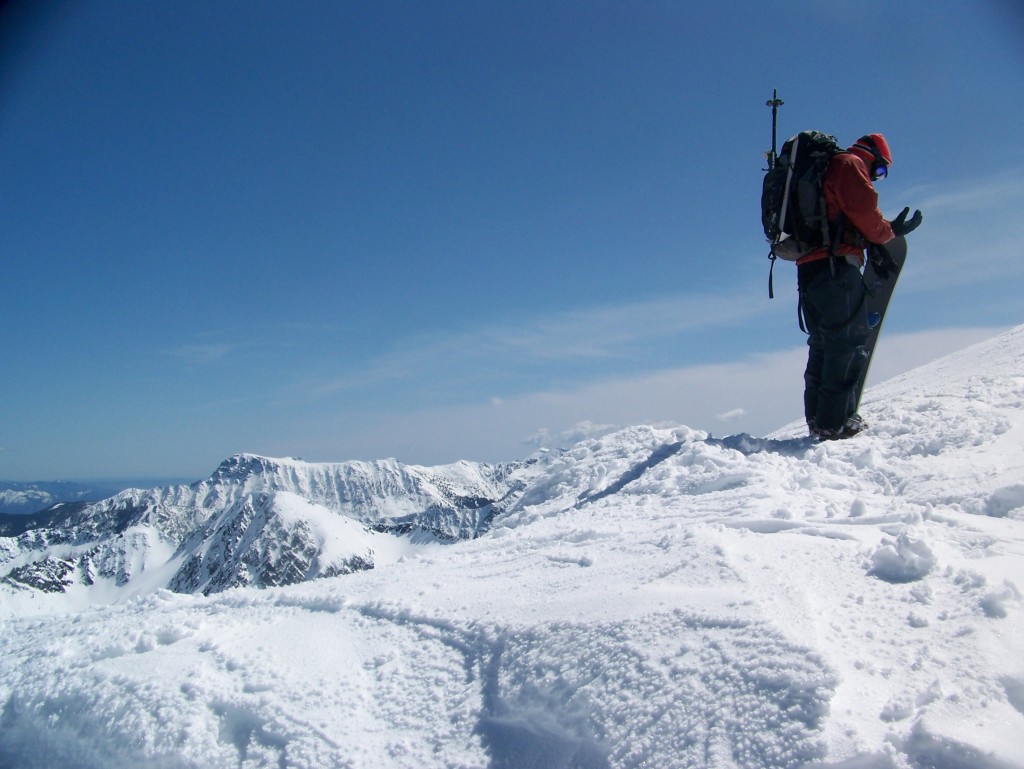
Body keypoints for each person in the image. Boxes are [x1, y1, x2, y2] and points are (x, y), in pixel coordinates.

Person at [796, 133, 922, 440]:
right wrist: (889, 231)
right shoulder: (850, 164)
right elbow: (866, 216)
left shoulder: (822, 171)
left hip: (809, 270)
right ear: (873, 157)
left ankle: (818, 419)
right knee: (847, 343)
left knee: (823, 344)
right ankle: (835, 423)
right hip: (837, 269)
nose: (877, 179)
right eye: (880, 172)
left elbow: (839, 216)